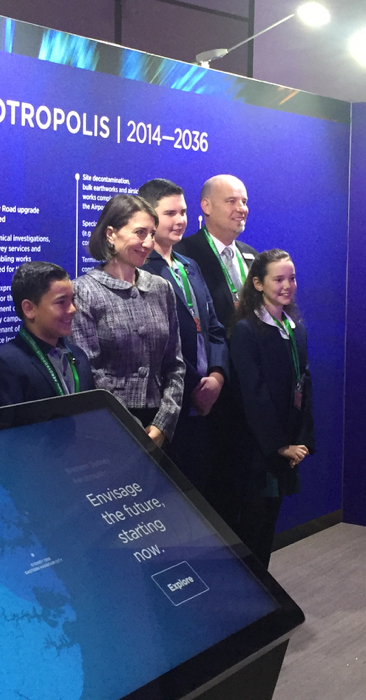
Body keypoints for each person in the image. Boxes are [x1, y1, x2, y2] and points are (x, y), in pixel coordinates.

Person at [221, 249, 314, 568]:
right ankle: (248, 589)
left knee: (267, 526)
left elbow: (304, 384)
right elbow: (253, 394)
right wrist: (279, 445)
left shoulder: (295, 328)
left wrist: (301, 438)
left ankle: (261, 584)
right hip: (256, 449)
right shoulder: (246, 330)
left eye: (292, 278)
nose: (287, 285)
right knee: (252, 524)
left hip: (285, 445)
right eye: (278, 279)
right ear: (258, 284)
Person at [71, 194, 185, 447]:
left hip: (159, 425)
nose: (148, 243)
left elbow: (175, 364)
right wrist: (130, 427)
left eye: (152, 234)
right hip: (108, 427)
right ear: (111, 234)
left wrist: (163, 422)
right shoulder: (84, 291)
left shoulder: (161, 288)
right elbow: (89, 369)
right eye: (140, 233)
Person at [138, 179, 227, 494]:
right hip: (169, 404)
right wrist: (196, 387)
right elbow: (156, 343)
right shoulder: (142, 271)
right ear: (148, 217)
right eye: (170, 213)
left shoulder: (190, 266)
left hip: (206, 405)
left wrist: (217, 376)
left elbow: (213, 327)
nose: (180, 220)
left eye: (184, 212)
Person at [0, 262, 95, 406]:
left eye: (72, 300)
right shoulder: (5, 363)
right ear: (29, 309)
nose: (73, 309)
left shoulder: (78, 355)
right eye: (61, 302)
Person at [176, 174, 257, 328]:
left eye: (244, 202)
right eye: (231, 201)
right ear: (207, 206)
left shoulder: (253, 256)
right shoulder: (182, 255)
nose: (242, 209)